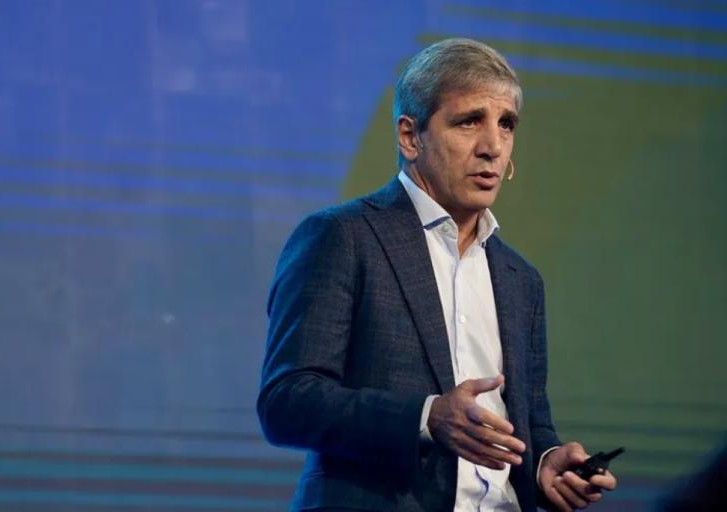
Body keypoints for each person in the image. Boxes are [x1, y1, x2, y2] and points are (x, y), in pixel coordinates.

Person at [257, 38, 617, 511]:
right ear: (411, 137)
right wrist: (426, 418)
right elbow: (287, 401)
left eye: (506, 124)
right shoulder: (342, 237)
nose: (492, 147)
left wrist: (546, 463)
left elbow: (529, 424)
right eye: (469, 121)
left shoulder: (521, 279)